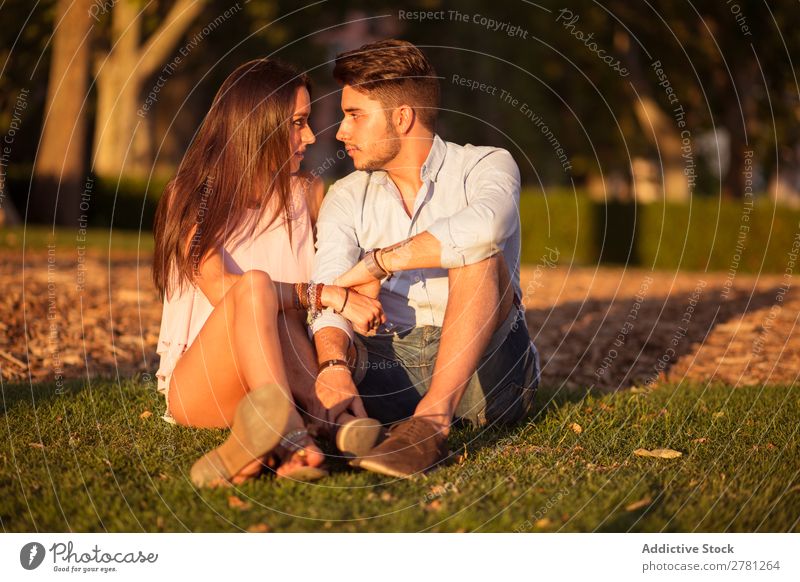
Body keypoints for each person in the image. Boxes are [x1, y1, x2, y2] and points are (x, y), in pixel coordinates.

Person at [311, 39, 541, 479]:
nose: (341, 131)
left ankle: (429, 426)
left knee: (477, 253)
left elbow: (487, 228)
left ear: (402, 117)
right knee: (301, 327)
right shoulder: (345, 196)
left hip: (488, 374)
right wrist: (335, 366)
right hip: (387, 362)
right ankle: (311, 431)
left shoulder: (486, 165)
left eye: (355, 115)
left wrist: (378, 262)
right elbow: (332, 285)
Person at [151, 58, 385, 487]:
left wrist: (365, 277)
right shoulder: (188, 196)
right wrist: (326, 295)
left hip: (288, 368)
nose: (312, 137)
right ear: (257, 124)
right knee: (256, 288)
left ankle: (303, 437)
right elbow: (224, 289)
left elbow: (339, 271)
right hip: (204, 386)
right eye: (297, 122)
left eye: (308, 121)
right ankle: (306, 428)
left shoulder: (309, 193)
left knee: (281, 313)